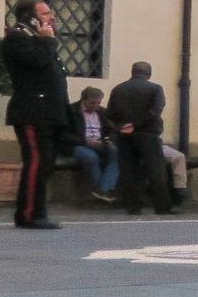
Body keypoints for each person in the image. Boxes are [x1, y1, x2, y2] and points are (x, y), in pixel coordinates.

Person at [0, 0, 70, 229]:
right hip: (33, 111)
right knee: (36, 162)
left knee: (46, 163)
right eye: (46, 13)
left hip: (49, 112)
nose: (52, 17)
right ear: (31, 17)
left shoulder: (37, 39)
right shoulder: (18, 38)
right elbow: (38, 62)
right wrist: (47, 42)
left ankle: (35, 210)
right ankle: (29, 214)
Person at [106, 61, 174, 217]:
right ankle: (162, 206)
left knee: (128, 171)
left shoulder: (118, 89)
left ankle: (133, 206)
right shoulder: (155, 89)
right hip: (148, 134)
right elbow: (155, 111)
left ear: (132, 72)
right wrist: (136, 125)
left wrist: (121, 127)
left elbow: (109, 114)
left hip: (124, 136)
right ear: (149, 74)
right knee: (156, 171)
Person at [66, 86, 122, 203]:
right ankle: (103, 191)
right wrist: (85, 141)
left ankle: (102, 190)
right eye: (92, 103)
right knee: (91, 157)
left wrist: (106, 140)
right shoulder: (71, 111)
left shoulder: (101, 112)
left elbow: (111, 130)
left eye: (98, 103)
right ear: (84, 100)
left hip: (99, 143)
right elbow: (64, 134)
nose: (95, 106)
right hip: (78, 145)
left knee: (117, 154)